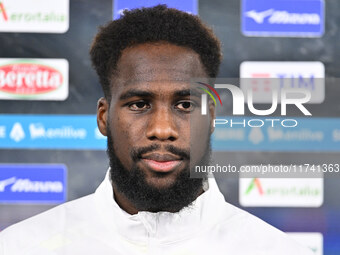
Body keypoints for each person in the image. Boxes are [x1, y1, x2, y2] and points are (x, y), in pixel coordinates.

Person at [0, 5, 313, 254]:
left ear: (212, 116)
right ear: (103, 117)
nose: (162, 129)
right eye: (139, 104)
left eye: (185, 105)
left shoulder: (278, 250)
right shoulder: (21, 247)